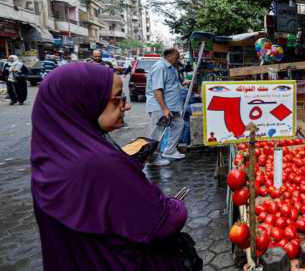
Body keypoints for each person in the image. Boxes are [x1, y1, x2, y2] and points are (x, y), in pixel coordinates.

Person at [31, 63, 188, 270]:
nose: (126, 106)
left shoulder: (50, 157)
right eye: (117, 99)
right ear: (83, 101)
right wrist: (175, 205)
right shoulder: (100, 165)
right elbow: (164, 221)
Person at [146, 48, 188, 166]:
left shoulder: (170, 67)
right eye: (176, 56)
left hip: (171, 106)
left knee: (179, 124)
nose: (178, 58)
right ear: (168, 55)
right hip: (160, 106)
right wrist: (164, 109)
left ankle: (170, 151)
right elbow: (157, 90)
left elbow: (171, 84)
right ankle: (152, 158)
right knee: (157, 132)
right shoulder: (160, 67)